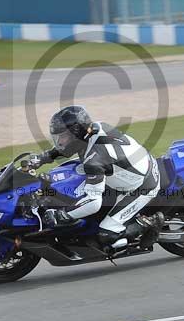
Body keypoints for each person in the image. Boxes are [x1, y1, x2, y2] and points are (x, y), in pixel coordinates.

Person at [31, 105, 164, 251]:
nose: (60, 142)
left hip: (143, 185)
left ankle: (150, 222)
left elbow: (94, 203)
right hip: (134, 167)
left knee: (107, 235)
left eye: (63, 136)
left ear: (76, 133)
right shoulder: (94, 128)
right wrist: (44, 158)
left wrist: (62, 214)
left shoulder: (94, 160)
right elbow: (68, 146)